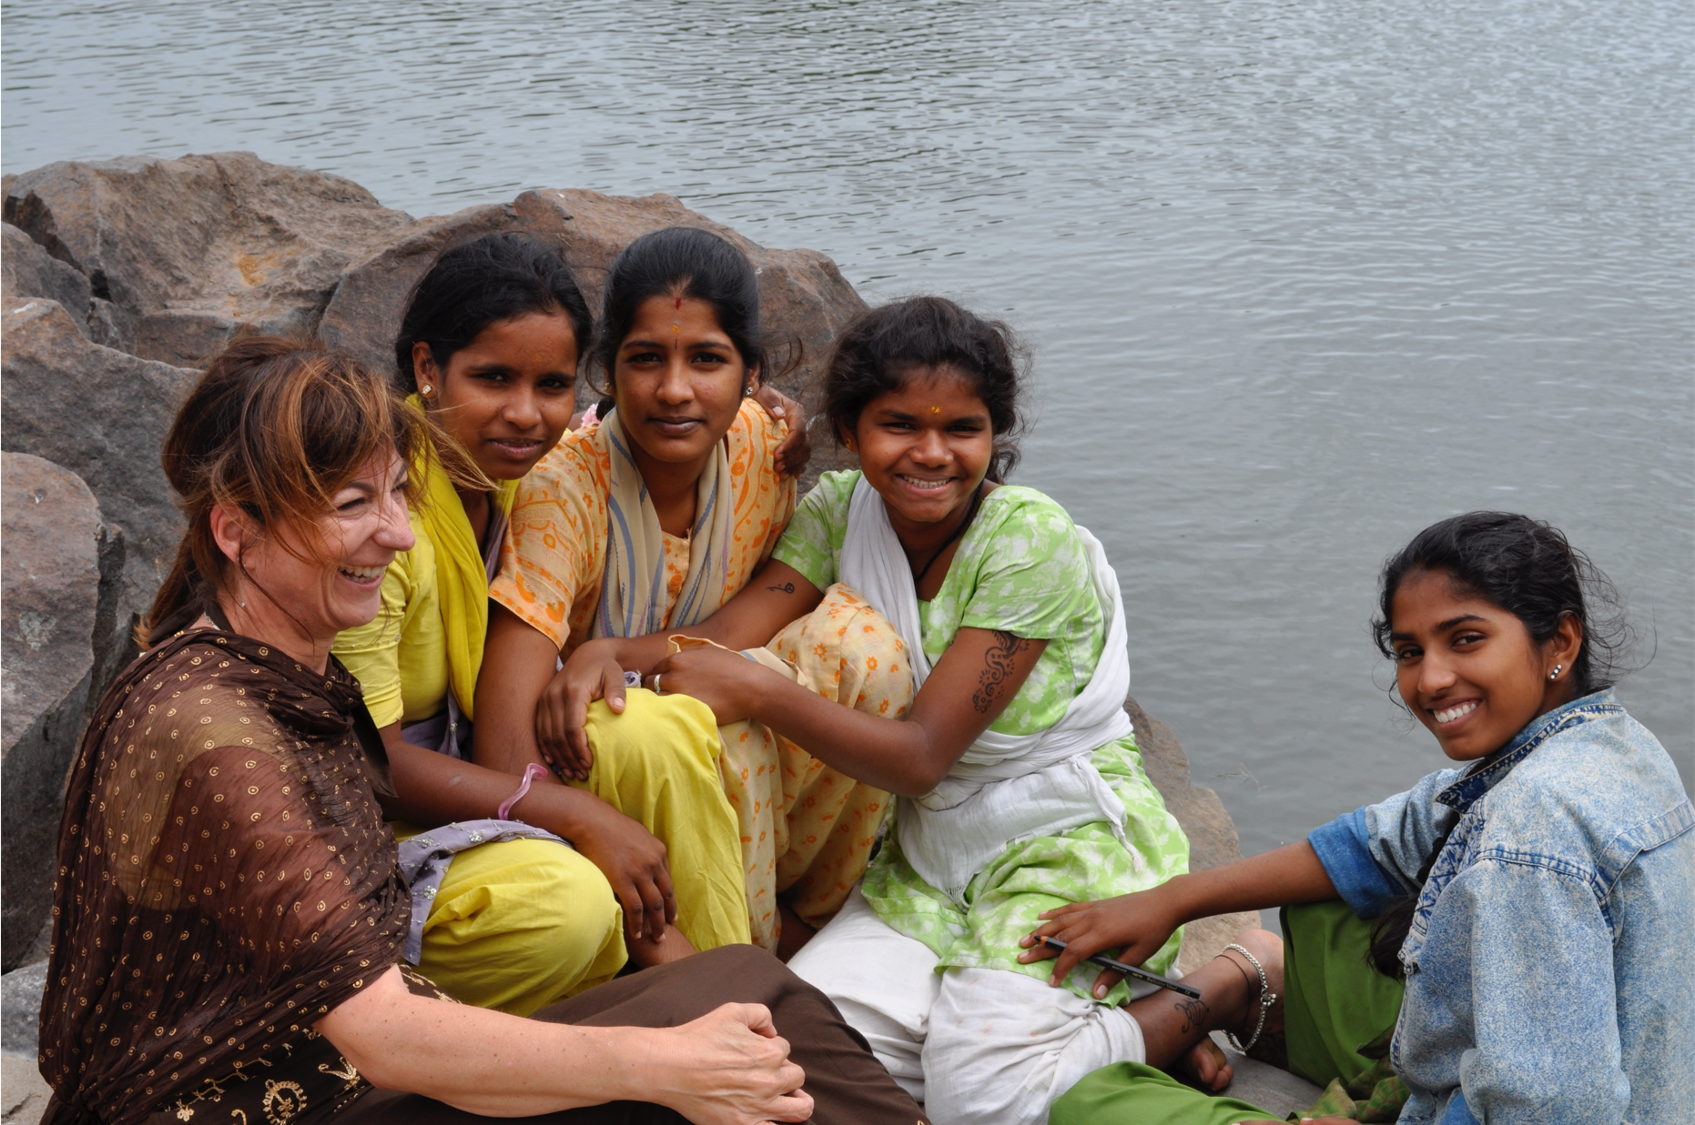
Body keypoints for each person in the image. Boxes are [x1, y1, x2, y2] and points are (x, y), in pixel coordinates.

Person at [36, 336, 928, 1125]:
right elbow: (384, 1033)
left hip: (333, 1070)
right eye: (353, 503)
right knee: (705, 1066)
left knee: (745, 990)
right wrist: (664, 1066)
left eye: (397, 494)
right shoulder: (211, 729)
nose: (395, 533)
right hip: (257, 1098)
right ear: (237, 530)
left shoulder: (287, 654)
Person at [539, 296, 1196, 1125]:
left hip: (1058, 845)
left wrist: (764, 691)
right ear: (849, 429)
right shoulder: (840, 510)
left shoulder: (1030, 541)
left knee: (982, 1100)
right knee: (797, 1048)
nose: (931, 453)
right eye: (897, 425)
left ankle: (1206, 995)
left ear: (995, 435)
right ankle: (1044, 1030)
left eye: (962, 428)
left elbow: (920, 755)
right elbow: (720, 637)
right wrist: (610, 653)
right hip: (924, 859)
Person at [1030, 512, 1695, 1125]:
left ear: (1560, 640)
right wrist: (1171, 900)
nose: (1430, 679)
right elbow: (1375, 842)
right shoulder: (1606, 743)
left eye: (1465, 639)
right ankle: (1250, 976)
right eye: (1409, 652)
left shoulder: (1529, 833)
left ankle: (1249, 980)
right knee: (1331, 900)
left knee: (1092, 1102)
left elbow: (1550, 1107)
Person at [331, 233, 797, 1010]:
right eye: (492, 377)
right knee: (569, 908)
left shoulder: (503, 472)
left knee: (655, 732)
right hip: (369, 825)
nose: (524, 412)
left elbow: (610, 427)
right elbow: (371, 766)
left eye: (549, 383)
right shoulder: (382, 519)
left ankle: (728, 981)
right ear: (424, 368)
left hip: (473, 776)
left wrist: (777, 406)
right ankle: (699, 1000)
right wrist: (573, 812)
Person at [478, 226, 906, 954]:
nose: (674, 391)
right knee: (696, 725)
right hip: (611, 763)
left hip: (704, 715)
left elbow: (759, 616)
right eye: (645, 359)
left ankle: (809, 909)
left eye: (706, 359)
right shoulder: (564, 490)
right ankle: (729, 947)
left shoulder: (761, 448)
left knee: (864, 648)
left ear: (750, 375)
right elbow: (501, 743)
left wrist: (622, 649)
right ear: (607, 373)